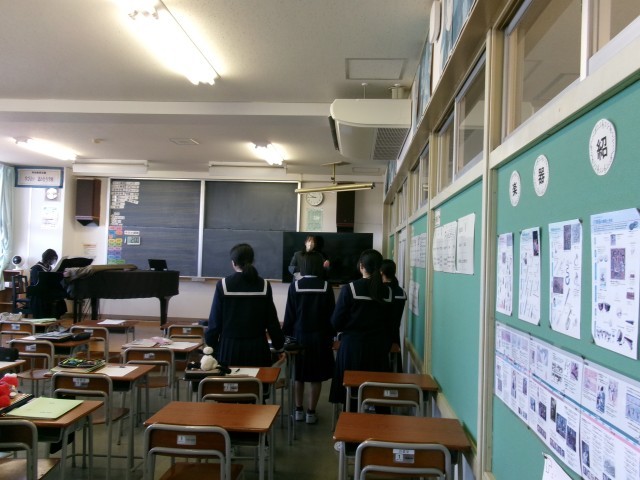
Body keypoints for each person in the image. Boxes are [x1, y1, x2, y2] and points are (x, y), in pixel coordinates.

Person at [329, 249, 393, 410]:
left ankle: (351, 424)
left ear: (361, 266)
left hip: (353, 348)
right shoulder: (387, 291)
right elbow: (391, 323)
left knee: (351, 396)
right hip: (378, 350)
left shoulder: (350, 289)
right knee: (378, 395)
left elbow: (336, 322)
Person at [205, 243, 285, 367]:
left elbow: (215, 322)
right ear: (252, 261)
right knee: (257, 380)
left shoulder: (223, 285)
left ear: (233, 263)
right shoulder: (264, 285)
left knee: (230, 379)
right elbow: (272, 322)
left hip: (229, 349)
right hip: (258, 349)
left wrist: (211, 347)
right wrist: (279, 346)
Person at [283, 251, 336, 424]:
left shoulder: (295, 286)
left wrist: (286, 336)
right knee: (316, 376)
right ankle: (311, 412)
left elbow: (289, 315)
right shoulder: (326, 286)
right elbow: (332, 315)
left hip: (299, 337)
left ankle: (298, 410)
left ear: (303, 266)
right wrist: (332, 336)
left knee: (298, 375)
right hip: (321, 338)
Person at [380, 259, 407, 373]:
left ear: (381, 272)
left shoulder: (380, 291)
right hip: (394, 334)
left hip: (379, 335)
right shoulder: (401, 291)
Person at [29, 249, 67, 319]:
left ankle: (55, 319)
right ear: (48, 258)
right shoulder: (36, 268)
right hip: (38, 293)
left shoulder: (49, 268)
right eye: (53, 259)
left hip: (47, 291)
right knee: (44, 299)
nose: (54, 261)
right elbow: (36, 282)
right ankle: (46, 319)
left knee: (60, 297)